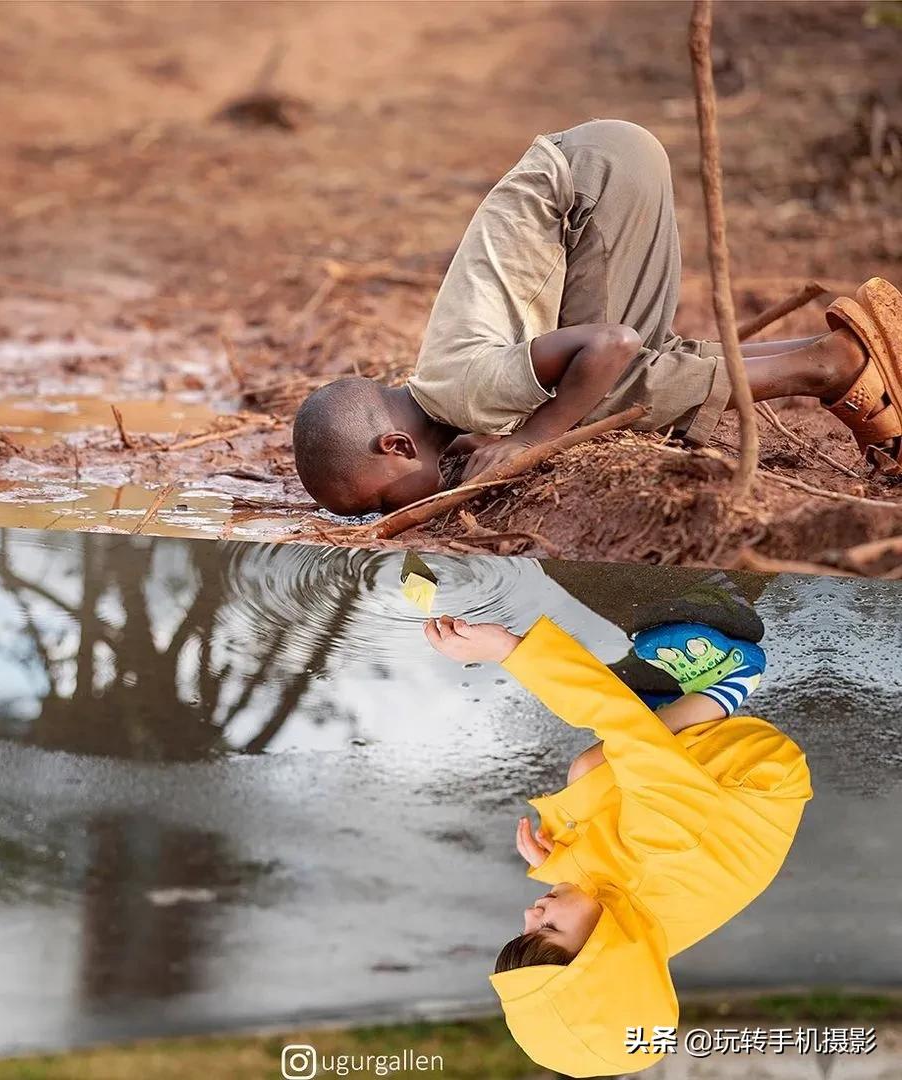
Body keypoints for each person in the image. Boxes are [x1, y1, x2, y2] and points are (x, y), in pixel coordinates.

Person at [292, 118, 902, 517]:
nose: (386, 516)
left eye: (376, 505)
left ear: (395, 446)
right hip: (602, 162)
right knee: (631, 371)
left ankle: (834, 366)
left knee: (609, 390)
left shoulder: (465, 393)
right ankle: (851, 348)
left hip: (591, 187)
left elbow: (609, 343)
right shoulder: (447, 389)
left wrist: (532, 440)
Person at [423, 611, 812, 1077]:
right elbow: (623, 732)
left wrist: (566, 863)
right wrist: (510, 651)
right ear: (607, 951)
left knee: (590, 780)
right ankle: (725, 684)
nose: (529, 915)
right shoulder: (665, 849)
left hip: (704, 812)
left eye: (523, 932)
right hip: (753, 771)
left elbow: (618, 887)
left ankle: (671, 721)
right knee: (597, 766)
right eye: (546, 930)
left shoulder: (635, 942)